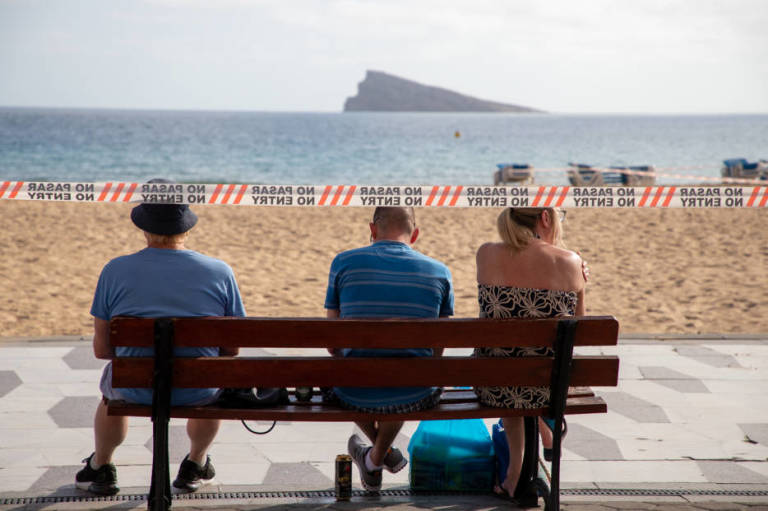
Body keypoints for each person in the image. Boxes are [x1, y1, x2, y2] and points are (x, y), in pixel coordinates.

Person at [75, 181, 246, 496]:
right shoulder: (220, 271)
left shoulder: (115, 270)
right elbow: (231, 348)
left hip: (135, 387)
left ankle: (102, 466)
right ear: (186, 227)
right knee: (213, 380)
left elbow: (102, 350)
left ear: (144, 227)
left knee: (111, 391)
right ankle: (195, 462)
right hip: (198, 389)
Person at [324, 207, 454, 492]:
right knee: (408, 374)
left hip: (351, 392)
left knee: (341, 375)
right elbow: (437, 349)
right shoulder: (439, 271)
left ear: (372, 230)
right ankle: (377, 457)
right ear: (415, 234)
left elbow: (333, 345)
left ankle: (374, 458)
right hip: (415, 392)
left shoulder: (343, 262)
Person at [474, 207, 585, 505]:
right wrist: (581, 284)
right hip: (550, 387)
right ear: (545, 218)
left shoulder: (486, 253)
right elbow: (580, 327)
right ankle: (549, 430)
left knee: (511, 369)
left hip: (494, 385)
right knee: (535, 371)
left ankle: (514, 476)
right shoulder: (570, 261)